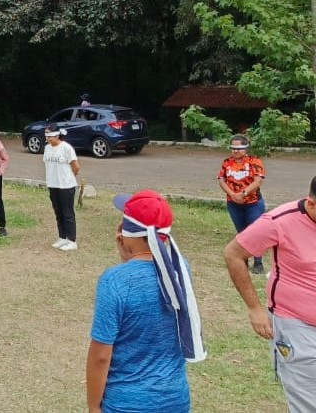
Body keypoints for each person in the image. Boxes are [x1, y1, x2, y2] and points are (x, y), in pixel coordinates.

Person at [223, 172, 316, 413]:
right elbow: (233, 254)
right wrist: (254, 308)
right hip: (299, 330)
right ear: (312, 204)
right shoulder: (278, 221)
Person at [87, 190, 205, 413]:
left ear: (128, 231)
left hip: (127, 402)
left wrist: (94, 407)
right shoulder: (181, 268)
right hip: (174, 398)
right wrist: (128, 256)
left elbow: (101, 355)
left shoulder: (114, 281)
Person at [218, 133, 266, 274]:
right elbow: (221, 179)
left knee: (255, 232)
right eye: (233, 148)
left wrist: (243, 193)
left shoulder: (254, 161)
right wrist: (232, 194)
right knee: (241, 232)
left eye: (239, 148)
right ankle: (243, 260)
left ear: (246, 148)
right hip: (233, 203)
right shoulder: (227, 162)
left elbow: (257, 181)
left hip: (253, 202)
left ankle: (258, 262)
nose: (235, 151)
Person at [43, 123, 80, 251]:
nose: (47, 139)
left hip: (66, 185)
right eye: (46, 136)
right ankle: (62, 237)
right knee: (58, 212)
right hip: (53, 184)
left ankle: (72, 240)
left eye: (49, 136)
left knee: (67, 213)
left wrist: (69, 178)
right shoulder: (47, 148)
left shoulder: (66, 148)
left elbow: (76, 166)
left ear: (57, 135)